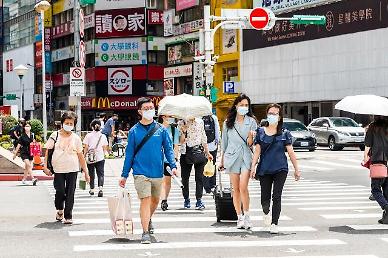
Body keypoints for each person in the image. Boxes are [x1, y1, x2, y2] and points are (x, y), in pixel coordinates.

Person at [119, 97, 177, 244]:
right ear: (140, 111)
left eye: (151, 108)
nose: (150, 110)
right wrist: (124, 175)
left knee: (155, 200)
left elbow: (169, 149)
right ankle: (145, 232)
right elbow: (129, 154)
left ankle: (148, 218)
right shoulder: (134, 131)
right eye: (146, 108)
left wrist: (173, 165)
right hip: (140, 172)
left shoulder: (161, 130)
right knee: (145, 200)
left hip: (157, 172)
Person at [251, 103, 301, 234]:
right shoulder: (260, 132)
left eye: (275, 114)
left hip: (280, 169)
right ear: (267, 115)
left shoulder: (285, 133)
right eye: (270, 113)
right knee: (264, 199)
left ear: (279, 117)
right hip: (264, 170)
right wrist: (252, 167)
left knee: (277, 196)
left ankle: (274, 223)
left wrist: (297, 169)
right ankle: (266, 213)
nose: (272, 116)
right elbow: (257, 152)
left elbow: (291, 152)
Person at [43, 111, 90, 224]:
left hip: (73, 169)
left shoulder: (76, 138)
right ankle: (60, 209)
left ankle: (68, 216)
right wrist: (44, 167)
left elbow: (80, 156)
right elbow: (47, 151)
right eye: (67, 122)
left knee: (70, 193)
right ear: (62, 123)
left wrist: (86, 172)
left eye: (71, 123)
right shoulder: (55, 135)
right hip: (58, 169)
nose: (68, 125)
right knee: (60, 191)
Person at [219, 94, 257, 229]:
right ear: (236, 106)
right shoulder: (228, 122)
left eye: (246, 105)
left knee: (243, 187)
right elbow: (224, 143)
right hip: (231, 156)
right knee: (235, 189)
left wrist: (251, 137)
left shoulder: (252, 121)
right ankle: (239, 217)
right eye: (242, 105)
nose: (244, 107)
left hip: (246, 156)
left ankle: (247, 216)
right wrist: (222, 160)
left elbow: (251, 144)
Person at [178, 117, 213, 210]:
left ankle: (199, 200)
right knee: (185, 178)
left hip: (198, 153)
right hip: (185, 153)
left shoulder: (200, 122)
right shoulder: (181, 123)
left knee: (199, 178)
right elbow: (180, 141)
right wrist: (184, 131)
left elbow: (203, 137)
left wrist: (207, 152)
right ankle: (186, 199)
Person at [364, 116, 388, 224]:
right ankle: (386, 217)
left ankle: (386, 207)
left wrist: (365, 157)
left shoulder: (372, 127)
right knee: (386, 191)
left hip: (378, 161)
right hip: (386, 162)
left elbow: (367, 145)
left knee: (376, 190)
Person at [158, 115, 180, 211]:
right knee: (159, 181)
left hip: (168, 160)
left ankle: (164, 199)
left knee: (167, 181)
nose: (171, 118)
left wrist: (174, 159)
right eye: (169, 116)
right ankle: (161, 199)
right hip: (157, 159)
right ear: (163, 116)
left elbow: (176, 145)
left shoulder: (174, 130)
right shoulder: (156, 128)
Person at [83, 119, 109, 197]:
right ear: (100, 127)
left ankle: (92, 189)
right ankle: (100, 189)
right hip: (100, 157)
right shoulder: (103, 136)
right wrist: (105, 154)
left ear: (92, 127)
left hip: (90, 158)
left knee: (91, 173)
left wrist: (84, 156)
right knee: (100, 174)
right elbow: (105, 147)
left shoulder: (88, 135)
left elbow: (86, 147)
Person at [13, 121, 38, 186]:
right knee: (29, 165)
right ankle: (33, 178)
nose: (27, 128)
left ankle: (24, 179)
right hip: (24, 152)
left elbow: (34, 143)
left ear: (30, 127)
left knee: (27, 168)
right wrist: (15, 154)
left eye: (28, 126)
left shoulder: (33, 135)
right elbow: (18, 145)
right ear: (24, 127)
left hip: (31, 152)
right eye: (26, 126)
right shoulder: (22, 136)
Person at [202, 114, 221, 194]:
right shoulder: (214, 118)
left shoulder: (200, 117)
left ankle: (206, 186)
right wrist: (217, 142)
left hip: (203, 146)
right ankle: (212, 184)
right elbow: (217, 131)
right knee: (212, 164)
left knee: (203, 166)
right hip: (213, 146)